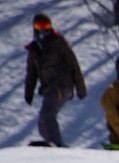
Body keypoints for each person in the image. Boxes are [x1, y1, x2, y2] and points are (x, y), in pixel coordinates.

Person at [24, 13, 87, 147]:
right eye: (39, 25)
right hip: (48, 89)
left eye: (45, 25)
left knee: (47, 115)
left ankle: (58, 144)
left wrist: (81, 89)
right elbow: (31, 73)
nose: (42, 29)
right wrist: (28, 92)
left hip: (62, 86)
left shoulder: (58, 42)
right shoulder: (34, 49)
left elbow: (73, 64)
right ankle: (51, 143)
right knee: (42, 119)